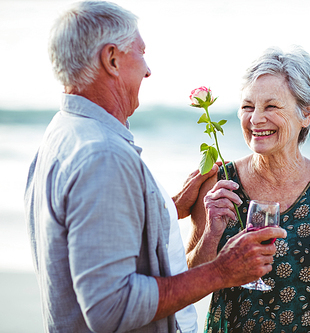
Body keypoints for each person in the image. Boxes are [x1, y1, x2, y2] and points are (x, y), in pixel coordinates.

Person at [24, 2, 286, 332]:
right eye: (141, 53)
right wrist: (223, 270)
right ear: (112, 59)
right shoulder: (102, 156)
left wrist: (168, 206)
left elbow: (93, 227)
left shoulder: (62, 131)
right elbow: (110, 308)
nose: (148, 70)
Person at [187, 46, 310, 332]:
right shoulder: (221, 185)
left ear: (306, 114)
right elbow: (187, 287)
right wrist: (212, 233)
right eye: (248, 107)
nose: (256, 119)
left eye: (271, 106)